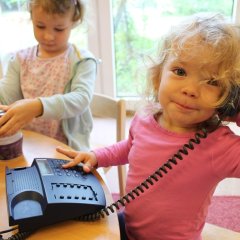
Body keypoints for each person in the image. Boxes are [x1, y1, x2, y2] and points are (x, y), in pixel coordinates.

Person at [56, 13, 240, 240]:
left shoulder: (220, 145)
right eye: (180, 72)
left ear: (229, 96)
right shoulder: (145, 117)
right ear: (157, 76)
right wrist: (97, 156)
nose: (191, 89)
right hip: (129, 226)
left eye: (212, 82)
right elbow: (131, 148)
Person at [0, 0, 97, 151]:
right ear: (31, 17)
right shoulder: (20, 60)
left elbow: (81, 99)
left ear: (74, 20)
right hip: (28, 147)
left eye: (59, 29)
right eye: (40, 26)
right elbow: (5, 97)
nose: (48, 36)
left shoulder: (82, 60)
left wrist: (38, 107)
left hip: (67, 151)